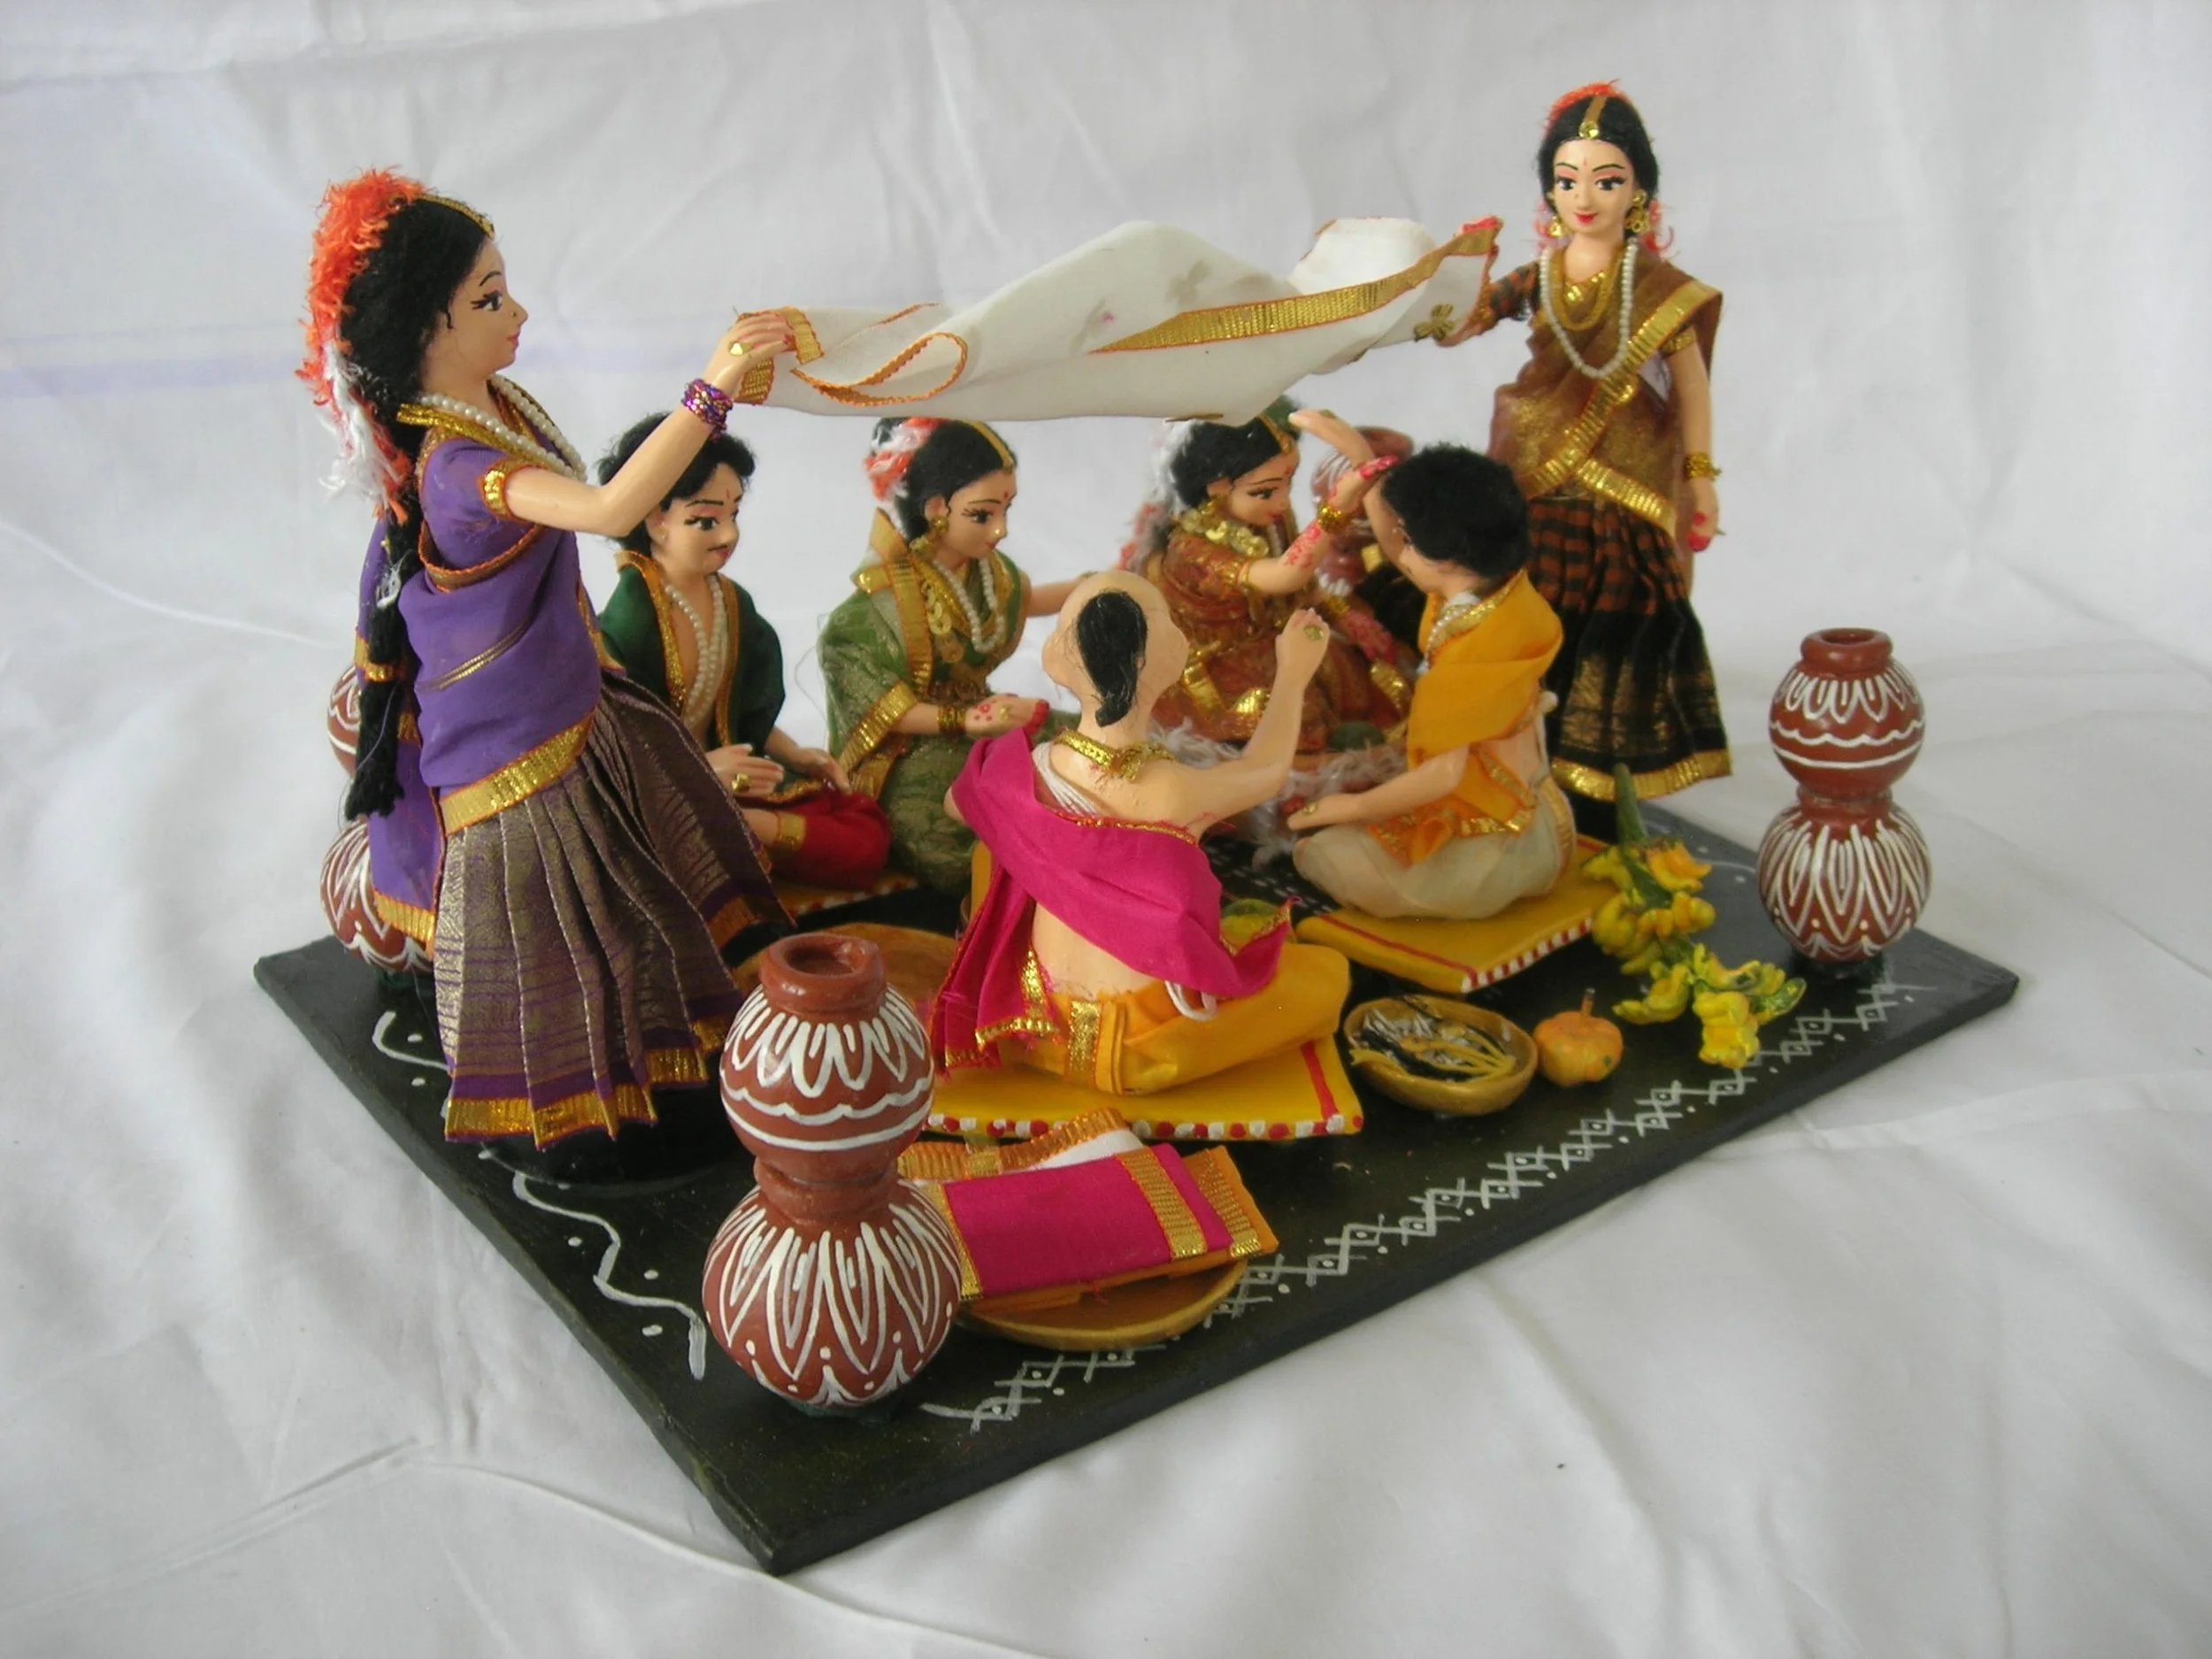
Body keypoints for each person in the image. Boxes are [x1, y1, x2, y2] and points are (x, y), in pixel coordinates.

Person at [300, 170, 791, 1163]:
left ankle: (672, 1055)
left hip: (575, 694)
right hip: (519, 750)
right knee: (568, 943)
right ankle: (587, 1110)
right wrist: (712, 390)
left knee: (646, 888)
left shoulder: (495, 404)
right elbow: (611, 511)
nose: (518, 313)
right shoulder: (457, 468)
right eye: (490, 299)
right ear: (427, 329)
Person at [929, 573, 1350, 1096]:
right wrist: (1292, 676)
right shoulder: (1174, 791)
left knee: (993, 855)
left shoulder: (1028, 772)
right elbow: (1264, 772)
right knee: (1324, 975)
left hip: (1042, 1030)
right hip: (1142, 1049)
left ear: (1056, 658)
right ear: (1169, 652)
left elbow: (956, 804)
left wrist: (1017, 817)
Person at [1436, 82, 1729, 819]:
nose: (1585, 198)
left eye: (1606, 180)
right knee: (1532, 617)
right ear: (1549, 194)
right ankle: (1516, 772)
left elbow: (1691, 387)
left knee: (1622, 627)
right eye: (1567, 182)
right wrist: (1463, 266)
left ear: (1639, 192)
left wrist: (1700, 478)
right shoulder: (1537, 277)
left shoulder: (1658, 289)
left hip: (1625, 487)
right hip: (1537, 479)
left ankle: (1600, 788)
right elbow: (1454, 328)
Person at [594, 417, 892, 890]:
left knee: (864, 830)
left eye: (734, 515)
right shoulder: (630, 618)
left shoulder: (730, 601)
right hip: (664, 794)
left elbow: (741, 709)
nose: (729, 535)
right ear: (654, 518)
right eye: (706, 521)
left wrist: (797, 754)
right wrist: (703, 772)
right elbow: (617, 748)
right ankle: (740, 834)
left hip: (738, 779)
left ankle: (749, 829)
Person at [1288, 445, 1575, 918]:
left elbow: (1443, 775)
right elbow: (1400, 552)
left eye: (1408, 539)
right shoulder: (1496, 594)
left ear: (1444, 554)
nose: (1397, 552)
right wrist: (1362, 461)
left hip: (1499, 834)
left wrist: (1350, 808)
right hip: (1522, 796)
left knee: (1326, 855)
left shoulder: (1472, 653)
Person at [817, 418, 1076, 892]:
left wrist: (1089, 587)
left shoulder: (990, 573)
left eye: (1006, 510)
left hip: (988, 718)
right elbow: (885, 710)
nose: (1001, 530)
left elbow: (1025, 601)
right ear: (937, 508)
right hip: (914, 751)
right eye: (983, 515)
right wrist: (964, 721)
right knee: (953, 841)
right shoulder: (874, 610)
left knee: (1095, 755)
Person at [1125, 403, 1412, 751]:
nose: (1283, 502)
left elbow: (1301, 584)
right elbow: (1285, 575)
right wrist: (1337, 506)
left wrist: (1339, 613)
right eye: (1265, 492)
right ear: (1217, 488)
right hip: (1222, 668)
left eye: (1288, 485)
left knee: (1365, 676)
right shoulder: (1191, 550)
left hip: (1277, 634)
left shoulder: (1269, 517)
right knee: (1292, 730)